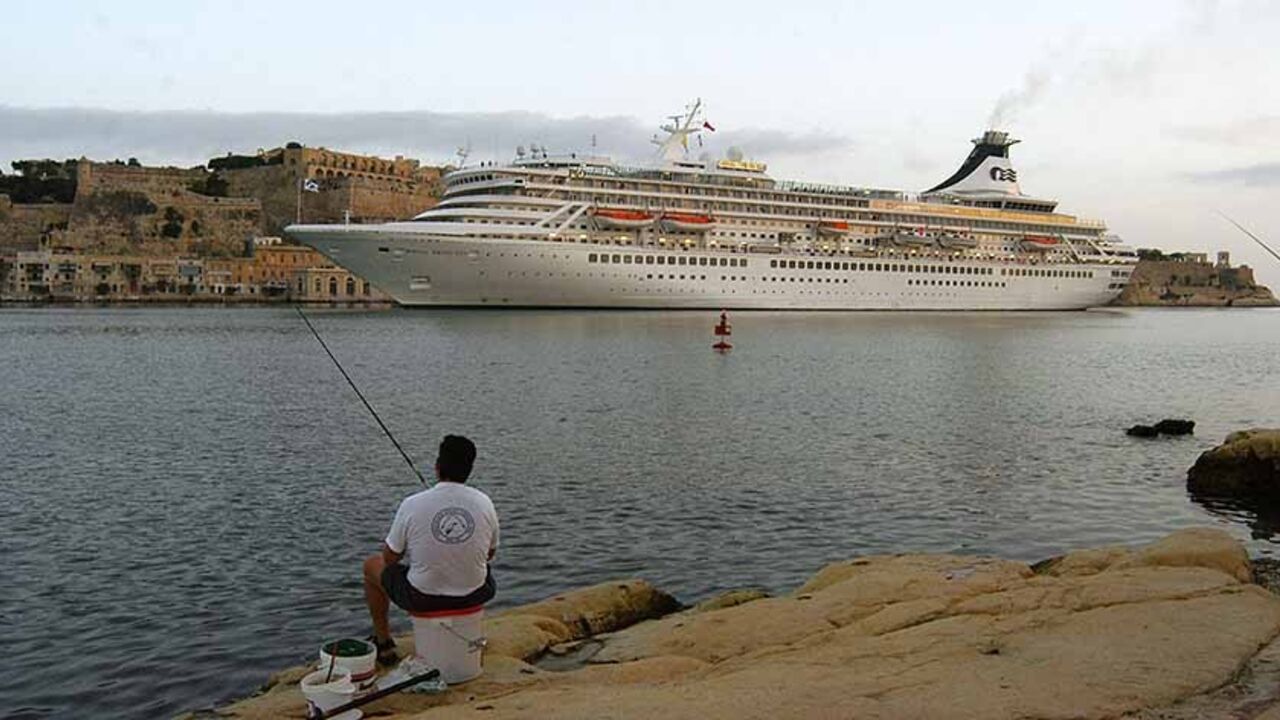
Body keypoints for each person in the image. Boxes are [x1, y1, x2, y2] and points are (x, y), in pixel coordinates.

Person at [362, 434, 499, 666]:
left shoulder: (412, 503)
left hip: (424, 598)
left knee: (371, 566)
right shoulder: (485, 502)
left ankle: (383, 643)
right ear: (469, 469)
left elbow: (389, 558)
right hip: (476, 592)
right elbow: (489, 555)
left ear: (437, 467)